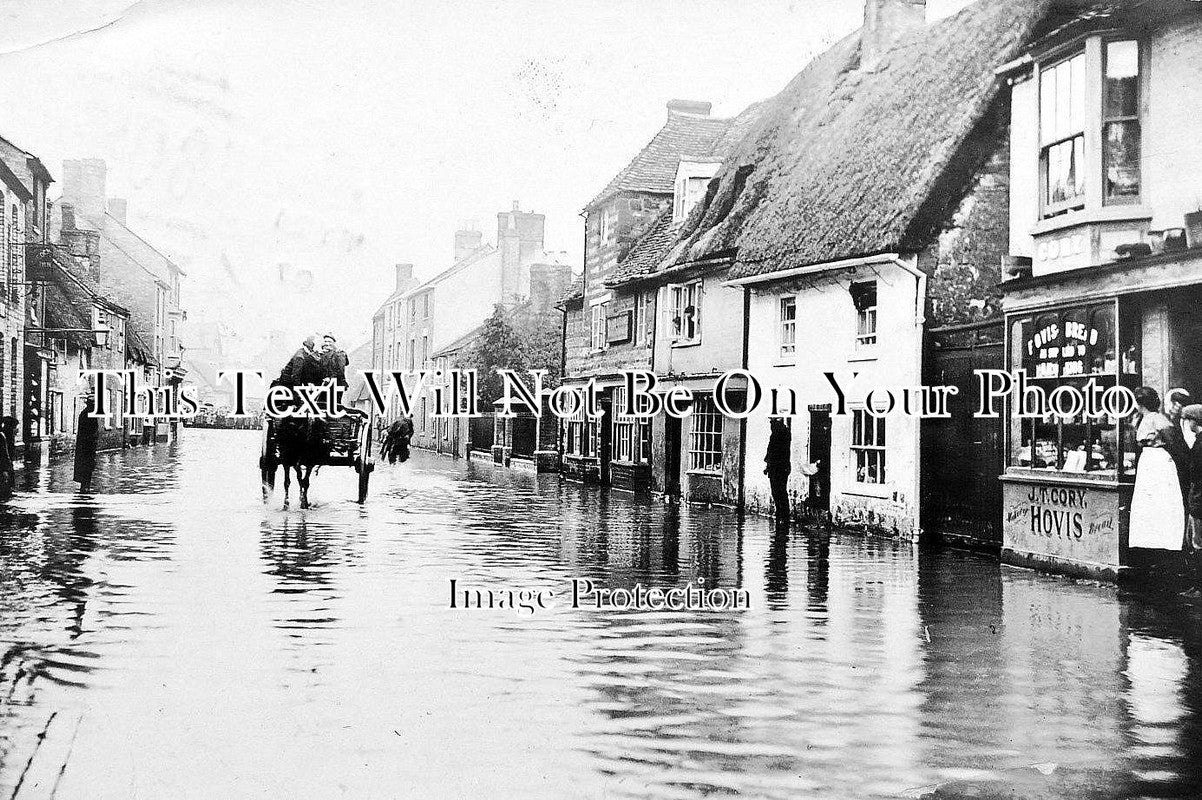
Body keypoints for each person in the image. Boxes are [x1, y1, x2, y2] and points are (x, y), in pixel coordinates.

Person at [1129, 387, 1185, 550]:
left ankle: (1164, 544)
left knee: (1162, 502)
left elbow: (1172, 438)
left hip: (1159, 461)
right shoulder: (1142, 418)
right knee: (1149, 503)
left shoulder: (1157, 419)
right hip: (1148, 462)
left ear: (1141, 403)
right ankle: (1149, 543)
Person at [1182, 404, 1202, 597]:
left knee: (1197, 544)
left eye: (1187, 420)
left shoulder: (1199, 444)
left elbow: (1194, 472)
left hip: (1199, 501)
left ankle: (1198, 587)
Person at [764, 417, 792, 526]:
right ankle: (782, 515)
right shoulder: (782, 433)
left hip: (778, 468)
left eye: (772, 422)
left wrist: (769, 465)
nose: (771, 425)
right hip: (780, 468)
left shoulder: (778, 435)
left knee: (778, 492)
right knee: (780, 492)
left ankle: (782, 515)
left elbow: (773, 452)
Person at [74, 394, 101, 493]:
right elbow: (91, 432)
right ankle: (85, 488)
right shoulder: (89, 414)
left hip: (84, 446)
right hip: (87, 446)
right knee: (87, 466)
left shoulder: (85, 413)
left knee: (86, 467)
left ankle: (85, 487)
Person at [0, 417, 15, 502]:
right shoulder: (2, 436)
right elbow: (4, 453)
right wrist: (6, 467)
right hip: (3, 464)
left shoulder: (3, 434)